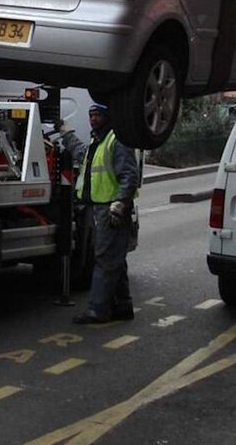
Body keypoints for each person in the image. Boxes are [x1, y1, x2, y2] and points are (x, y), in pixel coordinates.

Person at [72, 102, 141, 324]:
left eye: (98, 115)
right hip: (101, 206)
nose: (93, 119)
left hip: (111, 209)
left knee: (104, 258)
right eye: (91, 115)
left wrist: (120, 203)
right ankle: (123, 306)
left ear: (108, 117)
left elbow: (129, 175)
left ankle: (98, 309)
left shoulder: (116, 140)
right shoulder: (97, 140)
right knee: (115, 258)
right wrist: (66, 135)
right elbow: (82, 154)